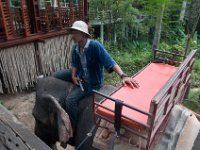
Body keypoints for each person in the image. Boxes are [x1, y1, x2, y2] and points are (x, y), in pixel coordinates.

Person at [54, 20, 139, 129]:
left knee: (70, 101)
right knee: (57, 75)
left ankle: (72, 128)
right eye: (73, 32)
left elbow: (110, 62)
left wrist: (123, 76)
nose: (73, 35)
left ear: (83, 34)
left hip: (91, 82)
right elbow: (75, 64)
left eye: (76, 32)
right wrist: (73, 76)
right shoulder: (75, 48)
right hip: (80, 74)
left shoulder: (95, 46)